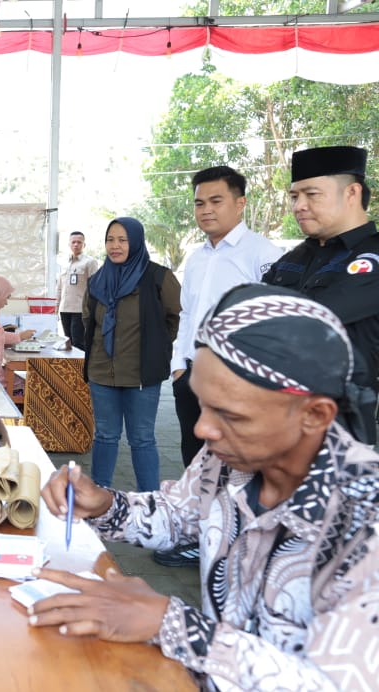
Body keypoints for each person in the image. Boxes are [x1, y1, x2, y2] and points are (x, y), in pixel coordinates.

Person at [31, 283, 379, 691]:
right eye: (203, 404)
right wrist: (106, 504)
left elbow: (336, 684)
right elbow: (179, 514)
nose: (202, 429)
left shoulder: (364, 518)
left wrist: (170, 623)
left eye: (230, 414)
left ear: (315, 414)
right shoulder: (230, 459)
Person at [155, 165, 282, 569]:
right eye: (199, 203)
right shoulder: (196, 258)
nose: (206, 210)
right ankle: (199, 537)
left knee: (237, 466)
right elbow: (188, 314)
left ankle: (239, 549)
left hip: (236, 382)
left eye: (216, 201)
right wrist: (178, 368)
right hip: (192, 375)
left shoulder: (263, 255)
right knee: (196, 460)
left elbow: (274, 322)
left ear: (240, 203)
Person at [263, 145, 379, 440]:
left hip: (341, 433)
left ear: (352, 193)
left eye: (311, 194)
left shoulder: (372, 256)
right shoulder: (293, 258)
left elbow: (310, 321)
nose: (298, 205)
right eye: (294, 196)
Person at [82, 217, 180, 492]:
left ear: (136, 241)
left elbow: (176, 318)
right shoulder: (97, 281)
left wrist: (156, 347)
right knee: (105, 436)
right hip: (102, 373)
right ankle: (99, 497)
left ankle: (150, 503)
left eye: (122, 240)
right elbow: (88, 320)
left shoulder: (159, 278)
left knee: (142, 439)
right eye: (110, 239)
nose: (115, 246)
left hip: (142, 375)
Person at [56, 231, 100, 348]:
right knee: (68, 340)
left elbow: (95, 287)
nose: (76, 244)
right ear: (69, 244)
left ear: (84, 245)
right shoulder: (64, 263)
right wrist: (56, 308)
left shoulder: (90, 262)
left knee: (78, 341)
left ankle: (82, 366)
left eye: (79, 242)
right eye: (73, 242)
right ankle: (71, 366)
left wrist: (92, 309)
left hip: (80, 309)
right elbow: (60, 288)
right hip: (65, 308)